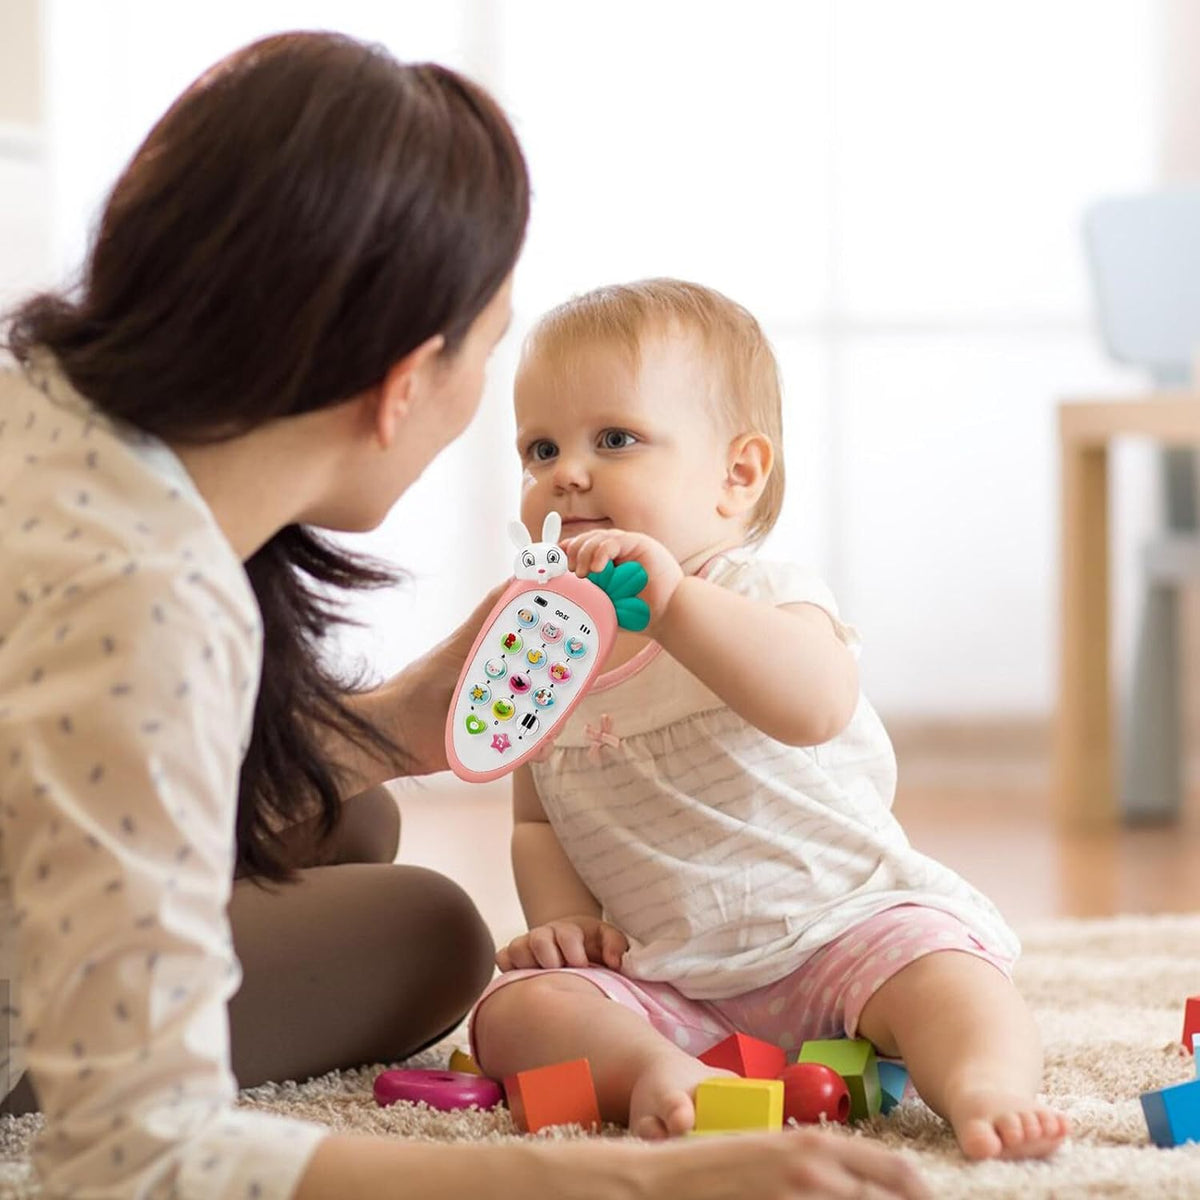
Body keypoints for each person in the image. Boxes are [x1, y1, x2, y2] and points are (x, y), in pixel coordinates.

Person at [0, 30, 928, 1200]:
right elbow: (134, 1154)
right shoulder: (149, 603)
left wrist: (405, 719)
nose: (560, 473)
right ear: (402, 385)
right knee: (433, 934)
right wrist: (631, 1187)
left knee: (354, 816)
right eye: (516, 403)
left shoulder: (48, 426)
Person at [470, 278, 1071, 1162]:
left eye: (615, 439)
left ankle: (983, 1085)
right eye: (539, 448)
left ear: (736, 476)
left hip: (841, 931)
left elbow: (814, 705)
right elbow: (536, 817)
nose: (567, 472)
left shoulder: (757, 594)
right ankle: (656, 1070)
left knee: (950, 976)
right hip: (671, 977)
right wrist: (566, 925)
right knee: (519, 1011)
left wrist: (673, 607)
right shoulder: (547, 650)